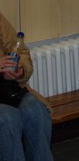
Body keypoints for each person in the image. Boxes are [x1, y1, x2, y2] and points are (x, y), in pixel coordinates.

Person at [0, 11, 53, 161]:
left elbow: (19, 49)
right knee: (7, 117)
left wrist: (19, 69)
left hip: (8, 90)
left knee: (35, 109)